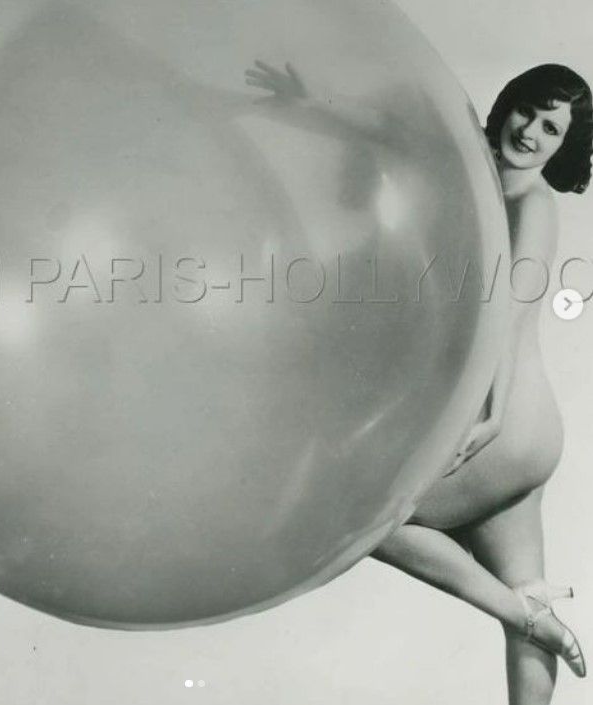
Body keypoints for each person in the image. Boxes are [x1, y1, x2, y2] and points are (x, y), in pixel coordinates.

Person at [246, 60, 593, 704]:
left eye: (552, 129)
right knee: (529, 589)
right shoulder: (466, 162)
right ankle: (527, 616)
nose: (531, 133)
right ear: (510, 103)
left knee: (361, 516)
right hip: (514, 421)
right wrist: (304, 98)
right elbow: (388, 129)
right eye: (530, 112)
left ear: (565, 146)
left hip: (508, 415)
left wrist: (488, 413)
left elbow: (511, 314)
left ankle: (521, 615)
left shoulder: (532, 204)